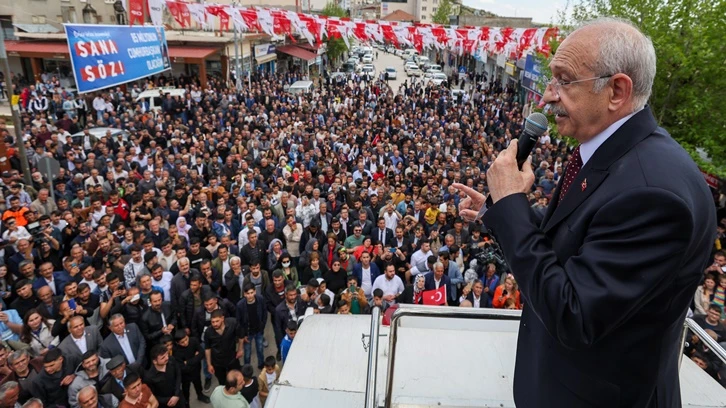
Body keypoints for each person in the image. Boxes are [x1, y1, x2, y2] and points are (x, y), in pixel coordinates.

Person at [453, 18, 715, 407]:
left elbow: (573, 314)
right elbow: (581, 240)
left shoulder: (654, 194)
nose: (546, 96)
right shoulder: (613, 152)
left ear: (617, 91)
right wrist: (502, 211)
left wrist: (513, 205)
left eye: (563, 79)